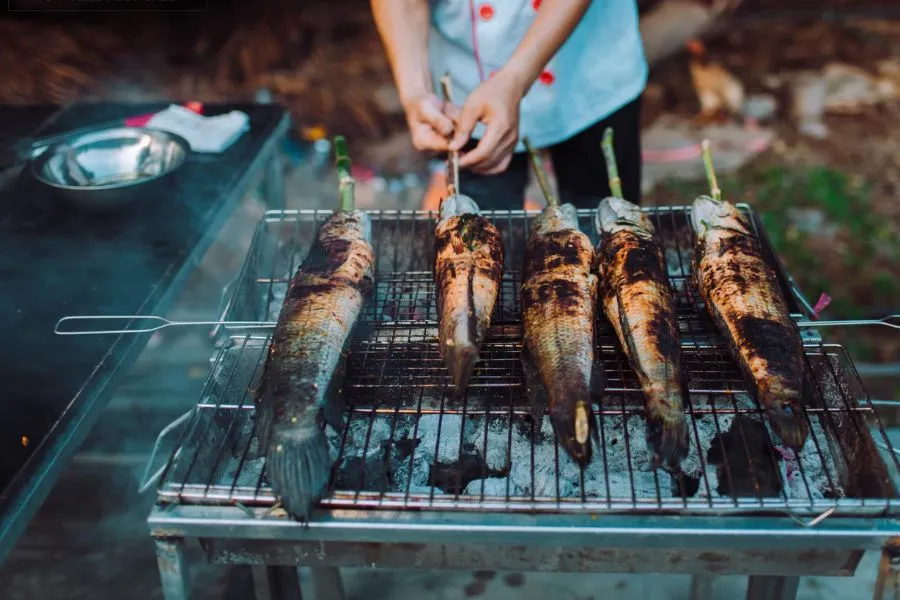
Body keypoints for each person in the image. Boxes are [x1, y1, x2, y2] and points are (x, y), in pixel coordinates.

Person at [371, 0, 647, 210]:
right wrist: (415, 90)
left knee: (608, 228)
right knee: (478, 235)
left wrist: (514, 78)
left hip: (588, 68)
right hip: (465, 87)